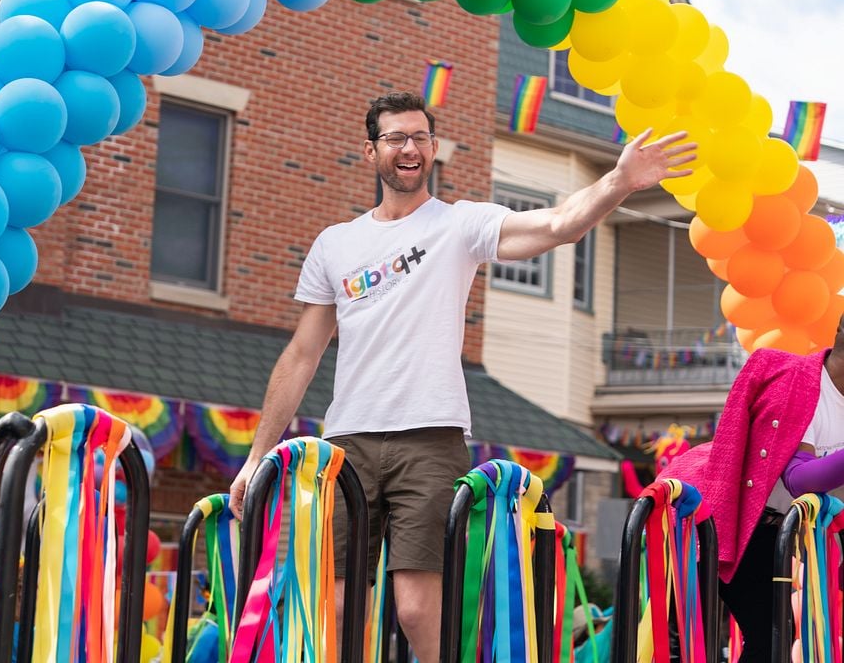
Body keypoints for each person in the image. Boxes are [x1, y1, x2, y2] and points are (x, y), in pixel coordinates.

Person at [228, 91, 695, 662]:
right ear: (371, 150)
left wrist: (619, 182)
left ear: (432, 149)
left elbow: (558, 224)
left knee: (418, 610)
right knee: (336, 608)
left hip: (429, 437)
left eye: (421, 137)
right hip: (344, 444)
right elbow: (301, 354)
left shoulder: (458, 225)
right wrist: (256, 458)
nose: (410, 148)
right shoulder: (336, 243)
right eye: (396, 137)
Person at [662, 312, 844, 663]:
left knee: (777, 637)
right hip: (711, 515)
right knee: (684, 639)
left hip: (771, 529)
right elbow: (800, 478)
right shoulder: (797, 381)